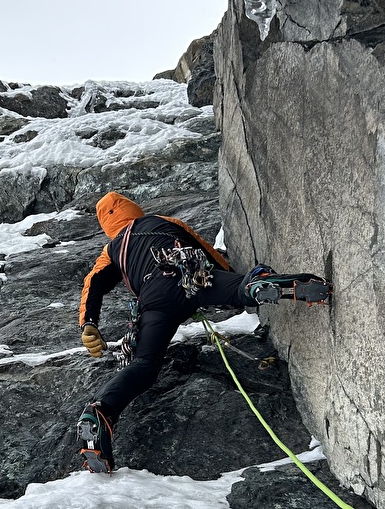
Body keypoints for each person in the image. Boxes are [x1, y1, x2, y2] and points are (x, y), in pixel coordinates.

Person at [75, 191, 329, 472]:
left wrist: (89, 324)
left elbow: (93, 284)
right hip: (189, 274)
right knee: (238, 289)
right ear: (135, 209)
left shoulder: (112, 250)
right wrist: (230, 278)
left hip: (155, 300)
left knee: (144, 364)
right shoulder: (163, 221)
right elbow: (205, 251)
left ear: (107, 226)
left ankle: (102, 410)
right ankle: (257, 286)